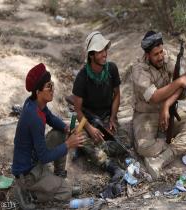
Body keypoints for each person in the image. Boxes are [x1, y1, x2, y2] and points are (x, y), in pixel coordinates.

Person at [12, 63, 85, 209]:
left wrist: (66, 128)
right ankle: (26, 191)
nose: (52, 89)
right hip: (27, 174)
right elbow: (45, 156)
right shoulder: (34, 118)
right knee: (66, 192)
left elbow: (51, 118)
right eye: (48, 86)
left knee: (59, 133)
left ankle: (57, 177)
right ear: (38, 91)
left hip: (34, 160)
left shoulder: (34, 102)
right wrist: (68, 144)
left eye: (52, 85)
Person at [131, 31, 186, 179]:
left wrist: (167, 104)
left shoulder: (167, 58)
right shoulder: (138, 69)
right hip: (146, 114)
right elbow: (155, 96)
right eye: (156, 54)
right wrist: (178, 83)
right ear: (147, 55)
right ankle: (180, 144)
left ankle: (165, 157)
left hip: (168, 110)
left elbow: (185, 82)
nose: (161, 56)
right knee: (144, 147)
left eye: (161, 51)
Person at [72, 31, 129, 198]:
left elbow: (117, 94)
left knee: (124, 143)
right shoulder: (82, 77)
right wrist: (89, 129)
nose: (105, 54)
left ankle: (95, 150)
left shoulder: (112, 69)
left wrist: (112, 118)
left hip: (105, 118)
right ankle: (112, 168)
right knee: (82, 139)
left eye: (105, 50)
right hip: (87, 120)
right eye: (100, 51)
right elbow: (77, 109)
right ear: (91, 55)